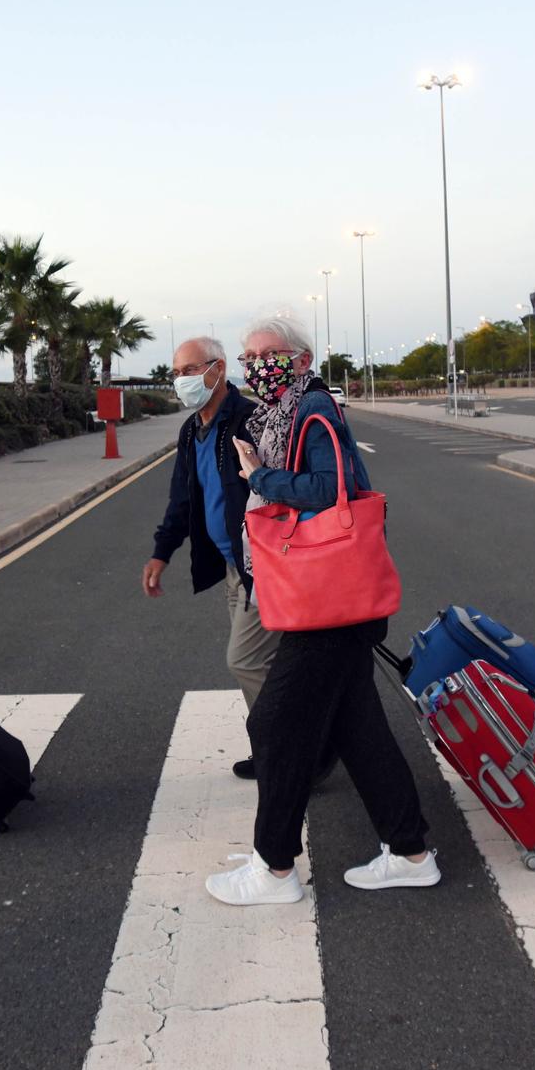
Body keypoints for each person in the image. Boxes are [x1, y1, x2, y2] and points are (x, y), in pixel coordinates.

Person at [205, 314, 441, 905]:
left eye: (269, 353)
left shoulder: (313, 412)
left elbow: (326, 488)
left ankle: (274, 869)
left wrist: (262, 476)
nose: (256, 363)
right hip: (335, 602)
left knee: (275, 724)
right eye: (248, 354)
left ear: (301, 360)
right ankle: (410, 851)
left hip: (330, 605)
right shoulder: (284, 414)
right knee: (357, 729)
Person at [144, 336, 277, 778]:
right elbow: (182, 497)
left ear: (218, 369)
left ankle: (292, 756)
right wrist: (162, 552)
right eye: (176, 373)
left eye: (189, 370)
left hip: (265, 565)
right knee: (263, 665)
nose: (182, 380)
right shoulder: (191, 430)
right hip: (233, 566)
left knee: (246, 660)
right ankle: (277, 748)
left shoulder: (247, 420)